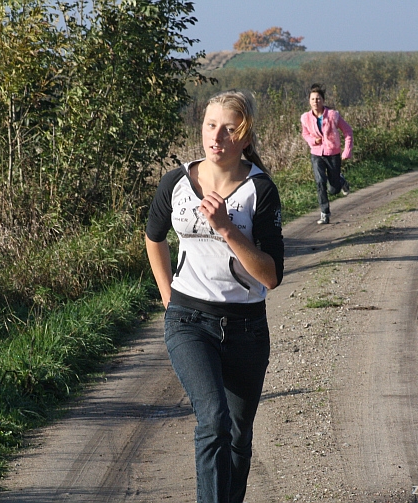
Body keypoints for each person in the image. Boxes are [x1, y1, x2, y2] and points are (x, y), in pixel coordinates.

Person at [145, 90, 284, 503]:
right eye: (210, 125)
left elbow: (272, 276)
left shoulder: (260, 190)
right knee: (214, 421)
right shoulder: (176, 181)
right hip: (188, 321)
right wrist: (170, 298)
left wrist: (226, 228)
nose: (216, 136)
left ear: (245, 136)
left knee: (239, 437)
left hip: (246, 328)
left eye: (228, 128)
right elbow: (154, 239)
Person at [300, 83, 353, 225]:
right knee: (320, 182)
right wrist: (312, 140)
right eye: (312, 99)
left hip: (333, 153)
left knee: (334, 189)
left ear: (323, 100)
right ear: (309, 101)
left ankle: (340, 181)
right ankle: (324, 213)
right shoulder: (305, 118)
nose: (315, 102)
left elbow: (348, 131)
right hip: (316, 154)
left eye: (318, 99)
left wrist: (347, 151)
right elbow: (305, 133)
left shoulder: (333, 116)